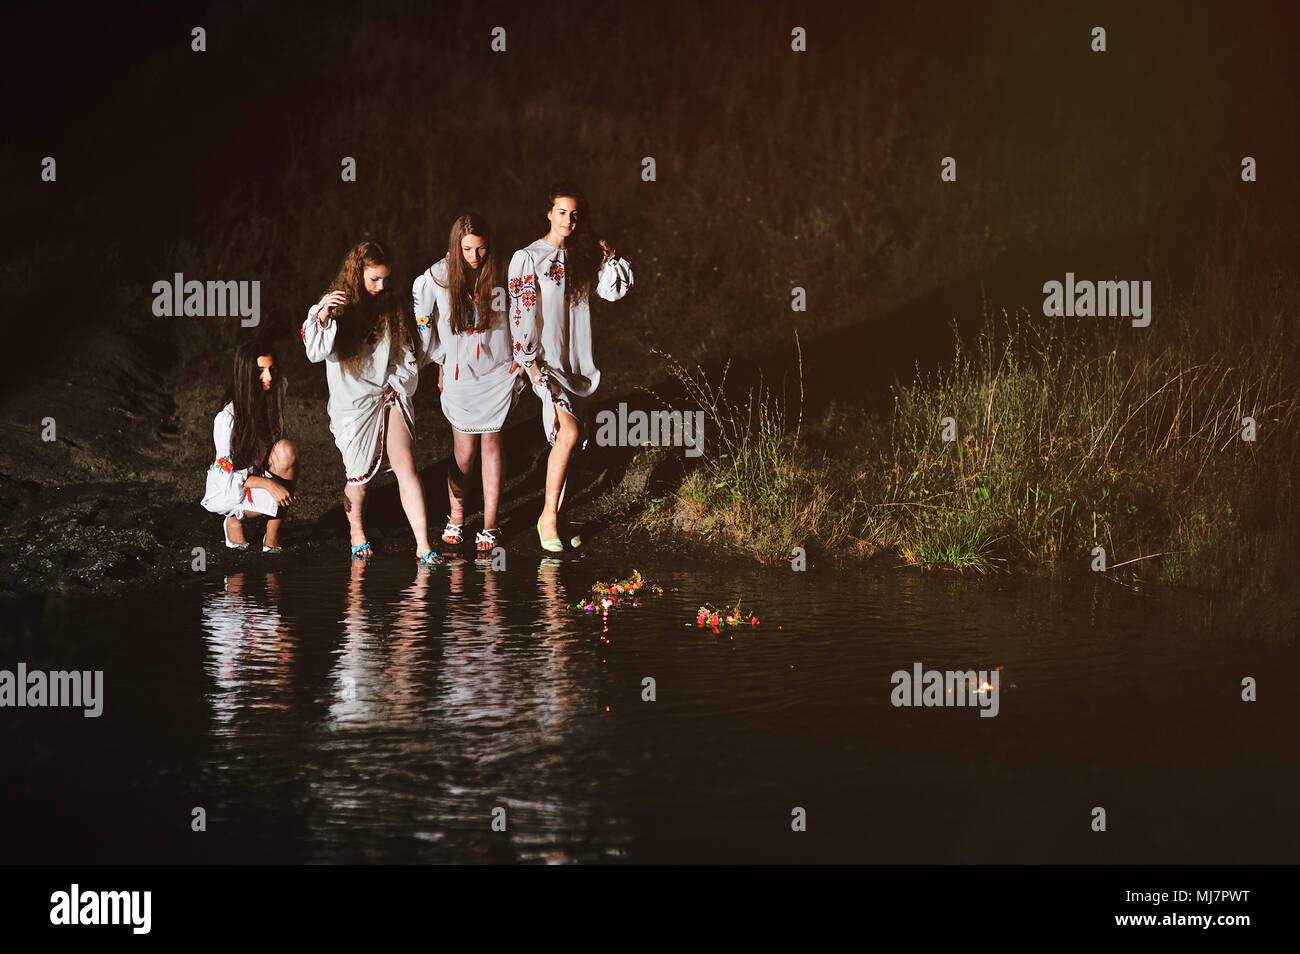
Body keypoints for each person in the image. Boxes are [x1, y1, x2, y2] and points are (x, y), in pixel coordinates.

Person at [508, 182, 633, 551]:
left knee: (570, 440)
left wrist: (609, 257)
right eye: (561, 212)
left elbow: (614, 292)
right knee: (570, 434)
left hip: (577, 361)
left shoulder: (581, 257)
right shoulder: (528, 257)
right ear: (549, 213)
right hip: (545, 360)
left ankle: (560, 518)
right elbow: (522, 312)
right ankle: (547, 516)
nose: (569, 220)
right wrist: (529, 361)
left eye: (575, 214)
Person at [302, 240, 437, 564]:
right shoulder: (335, 305)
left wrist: (397, 381)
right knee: (359, 478)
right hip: (353, 404)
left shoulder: (392, 305)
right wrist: (324, 315)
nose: (381, 286)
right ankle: (356, 530)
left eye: (386, 279)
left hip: (388, 393)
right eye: (374, 279)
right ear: (357, 273)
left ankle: (423, 544)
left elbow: (406, 353)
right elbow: (314, 351)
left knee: (406, 465)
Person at [414, 213, 524, 554]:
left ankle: (490, 524)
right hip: (463, 375)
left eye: (481, 249)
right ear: (455, 246)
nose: (475, 257)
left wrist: (523, 352)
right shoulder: (437, 278)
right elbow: (423, 321)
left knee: (491, 446)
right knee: (464, 453)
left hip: (497, 371)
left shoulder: (502, 272)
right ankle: (457, 514)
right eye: (467, 249)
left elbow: (525, 310)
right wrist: (439, 358)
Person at [201, 341, 297, 552]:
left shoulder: (277, 389)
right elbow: (226, 478)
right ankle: (234, 520)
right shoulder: (228, 418)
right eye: (260, 371)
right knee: (245, 493)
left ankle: (271, 538)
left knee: (287, 451)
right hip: (233, 485)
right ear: (246, 374)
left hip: (260, 467)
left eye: (271, 369)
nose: (269, 377)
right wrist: (270, 484)